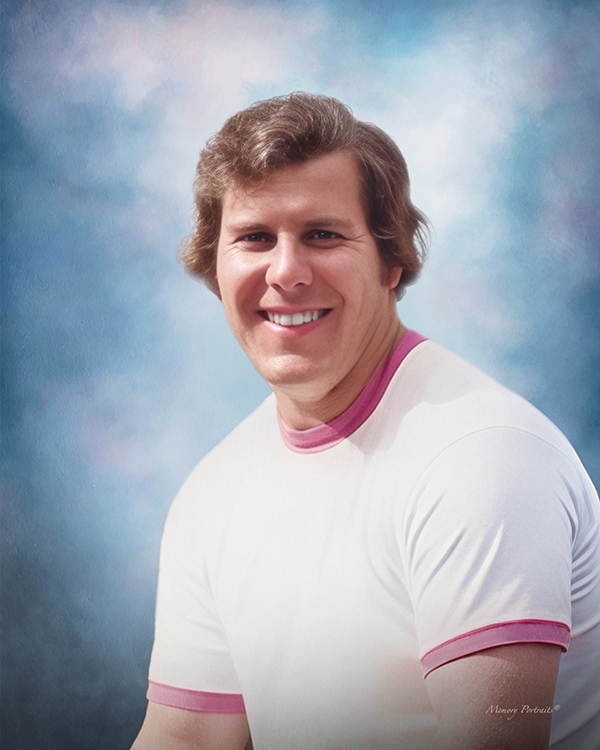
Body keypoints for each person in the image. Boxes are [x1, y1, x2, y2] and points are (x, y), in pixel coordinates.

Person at [132, 93, 600, 750]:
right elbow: (187, 740)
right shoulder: (212, 495)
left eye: (322, 234)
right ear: (214, 266)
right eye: (255, 237)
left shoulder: (482, 457)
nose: (286, 272)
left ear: (391, 260)